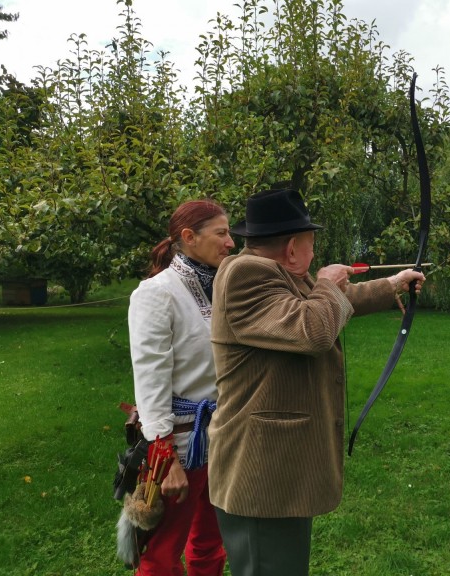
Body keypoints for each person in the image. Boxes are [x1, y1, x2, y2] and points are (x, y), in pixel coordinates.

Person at [208, 187, 425, 576]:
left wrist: (394, 283)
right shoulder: (245, 275)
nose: (313, 251)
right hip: (261, 475)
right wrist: (326, 281)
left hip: (279, 470)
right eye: (310, 242)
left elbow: (337, 303)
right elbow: (313, 329)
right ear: (292, 248)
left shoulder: (280, 274)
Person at [127, 199, 234, 576]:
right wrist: (165, 456)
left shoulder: (219, 285)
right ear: (189, 237)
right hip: (181, 445)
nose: (231, 242)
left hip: (221, 439)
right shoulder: (156, 293)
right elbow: (150, 378)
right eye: (221, 233)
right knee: (161, 554)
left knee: (210, 543)